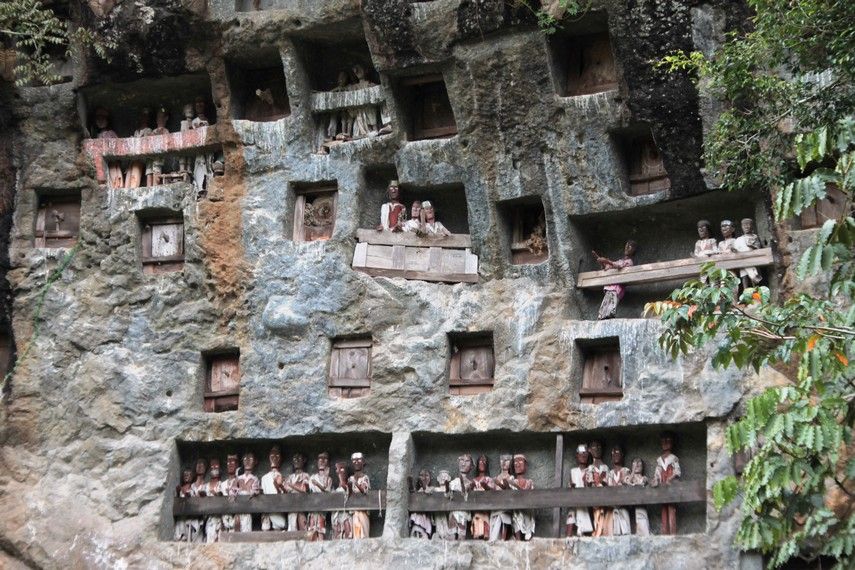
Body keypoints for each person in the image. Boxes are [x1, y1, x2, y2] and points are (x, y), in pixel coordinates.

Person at [592, 240, 637, 319]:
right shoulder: (620, 260)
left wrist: (606, 261)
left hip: (617, 288)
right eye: (626, 245)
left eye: (630, 246)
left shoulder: (629, 262)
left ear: (634, 250)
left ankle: (608, 317)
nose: (627, 247)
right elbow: (607, 267)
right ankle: (602, 317)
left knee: (610, 309)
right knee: (604, 308)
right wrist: (601, 261)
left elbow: (619, 266)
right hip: (610, 287)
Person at [652, 432, 681, 535]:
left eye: (668, 441)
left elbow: (677, 472)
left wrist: (670, 478)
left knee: (671, 508)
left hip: (670, 486)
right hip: (663, 486)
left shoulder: (674, 458)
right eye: (663, 441)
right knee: (664, 509)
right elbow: (657, 472)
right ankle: (665, 532)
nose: (665, 443)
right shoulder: (659, 460)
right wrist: (656, 479)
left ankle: (673, 532)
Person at [566, 444, 594, 537]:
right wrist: (571, 486)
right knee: (571, 513)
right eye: (581, 453)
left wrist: (587, 482)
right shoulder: (573, 471)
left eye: (585, 454)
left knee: (583, 509)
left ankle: (583, 531)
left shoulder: (590, 470)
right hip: (574, 499)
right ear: (577, 456)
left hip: (586, 499)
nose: (583, 455)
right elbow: (570, 483)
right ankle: (568, 537)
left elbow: (590, 485)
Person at [586, 440, 611, 537]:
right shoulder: (590, 468)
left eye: (599, 446)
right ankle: (597, 532)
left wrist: (605, 484)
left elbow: (609, 482)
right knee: (596, 516)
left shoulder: (606, 468)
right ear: (589, 450)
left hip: (605, 497)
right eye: (594, 447)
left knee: (605, 515)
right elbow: (588, 483)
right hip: (594, 498)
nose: (597, 449)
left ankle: (603, 532)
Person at [260, 446, 287, 532]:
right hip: (267, 508)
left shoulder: (284, 477)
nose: (274, 458)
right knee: (265, 527)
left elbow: (284, 494)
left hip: (278, 508)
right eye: (272, 456)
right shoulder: (264, 478)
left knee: (279, 525)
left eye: (277, 456)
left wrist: (278, 486)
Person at [607, 446, 632, 536]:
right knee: (613, 531)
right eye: (613, 453)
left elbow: (628, 484)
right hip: (612, 507)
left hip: (623, 505)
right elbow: (608, 487)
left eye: (617, 453)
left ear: (622, 455)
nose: (615, 455)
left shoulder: (626, 470)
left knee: (626, 530)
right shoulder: (609, 473)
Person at [307, 452, 332, 541]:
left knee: (321, 527)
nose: (322, 461)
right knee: (312, 525)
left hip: (322, 506)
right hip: (313, 505)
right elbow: (309, 490)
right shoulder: (312, 477)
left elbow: (326, 490)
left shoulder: (329, 479)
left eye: (325, 459)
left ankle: (321, 543)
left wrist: (318, 483)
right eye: (320, 459)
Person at [510, 454, 535, 541]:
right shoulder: (512, 481)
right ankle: (518, 539)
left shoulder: (529, 482)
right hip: (515, 509)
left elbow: (529, 494)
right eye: (515, 462)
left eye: (520, 461)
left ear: (525, 465)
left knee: (528, 514)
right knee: (516, 517)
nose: (517, 464)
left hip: (527, 508)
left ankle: (528, 535)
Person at [732, 218, 763, 289]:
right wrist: (734, 250)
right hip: (743, 261)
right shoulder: (739, 239)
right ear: (741, 227)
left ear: (752, 226)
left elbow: (758, 247)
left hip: (753, 260)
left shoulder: (755, 237)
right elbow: (736, 250)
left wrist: (751, 246)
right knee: (744, 277)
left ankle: (757, 295)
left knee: (754, 278)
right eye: (744, 225)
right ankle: (746, 294)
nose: (746, 227)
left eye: (748, 224)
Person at [283, 453, 310, 531]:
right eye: (294, 459)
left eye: (299, 458)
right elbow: (285, 489)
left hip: (302, 505)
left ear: (304, 461)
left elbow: (305, 490)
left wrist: (292, 486)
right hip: (291, 506)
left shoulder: (306, 476)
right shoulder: (290, 477)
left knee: (302, 524)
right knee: (292, 525)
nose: (296, 461)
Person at [489, 455, 513, 541]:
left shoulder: (511, 478)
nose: (504, 462)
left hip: (507, 505)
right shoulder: (495, 478)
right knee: (495, 517)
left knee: (503, 516)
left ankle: (503, 538)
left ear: (510, 463)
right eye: (502, 459)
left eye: (507, 460)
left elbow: (511, 491)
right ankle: (494, 538)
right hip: (495, 505)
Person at [235, 452, 261, 532]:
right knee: (236, 523)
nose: (247, 461)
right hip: (237, 508)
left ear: (255, 462)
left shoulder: (255, 479)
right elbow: (232, 489)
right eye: (245, 459)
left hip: (248, 507)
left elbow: (256, 491)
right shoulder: (238, 478)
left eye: (250, 458)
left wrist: (254, 492)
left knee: (246, 525)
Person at [348, 452, 371, 538]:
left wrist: (355, 484)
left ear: (363, 462)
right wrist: (349, 486)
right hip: (354, 511)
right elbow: (349, 494)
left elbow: (364, 490)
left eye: (359, 460)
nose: (356, 462)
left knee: (363, 533)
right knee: (356, 533)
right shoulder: (351, 478)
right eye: (354, 460)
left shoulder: (365, 477)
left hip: (362, 510)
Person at [470, 455, 493, 540]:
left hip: (485, 504)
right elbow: (469, 492)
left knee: (485, 518)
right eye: (480, 461)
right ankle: (476, 533)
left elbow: (492, 491)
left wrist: (486, 486)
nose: (482, 463)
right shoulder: (473, 480)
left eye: (484, 461)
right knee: (476, 517)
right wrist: (471, 487)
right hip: (475, 504)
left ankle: (486, 533)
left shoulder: (489, 479)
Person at [626, 458, 650, 535]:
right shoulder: (629, 477)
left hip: (641, 502)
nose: (637, 464)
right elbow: (628, 482)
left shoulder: (644, 478)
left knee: (642, 518)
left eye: (639, 463)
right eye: (634, 462)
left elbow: (650, 483)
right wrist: (632, 472)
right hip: (630, 503)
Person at [409, 469, 435, 538]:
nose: (424, 478)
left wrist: (426, 489)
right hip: (418, 514)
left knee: (424, 532)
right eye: (421, 475)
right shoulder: (418, 491)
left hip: (426, 516)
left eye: (426, 475)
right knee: (417, 523)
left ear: (430, 478)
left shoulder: (432, 489)